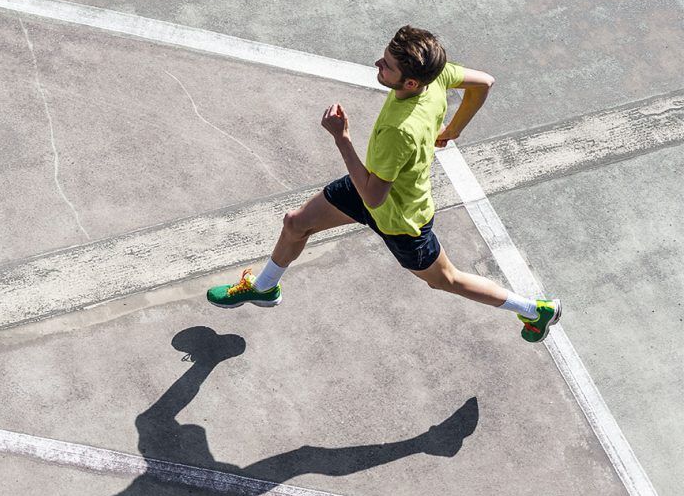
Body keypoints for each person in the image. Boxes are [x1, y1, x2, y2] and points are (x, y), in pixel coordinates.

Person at [206, 26, 560, 342]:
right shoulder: (436, 77)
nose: (378, 62)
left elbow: (375, 199)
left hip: (399, 217)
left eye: (386, 65)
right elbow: (484, 82)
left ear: (409, 83)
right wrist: (454, 130)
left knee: (447, 280)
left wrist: (341, 138)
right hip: (371, 182)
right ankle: (265, 287)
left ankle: (533, 310)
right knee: (295, 223)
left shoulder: (399, 130)